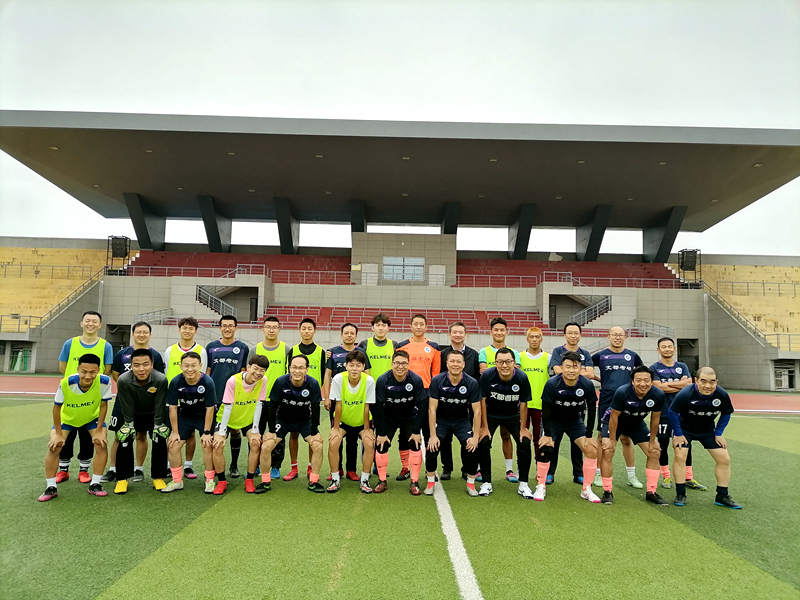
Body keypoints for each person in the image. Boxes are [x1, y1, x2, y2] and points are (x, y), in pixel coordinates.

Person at [38, 354, 111, 501]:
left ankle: (95, 484)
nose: (88, 376)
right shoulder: (66, 383)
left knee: (101, 443)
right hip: (67, 420)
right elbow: (56, 408)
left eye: (92, 372)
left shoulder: (104, 381)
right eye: (84, 371)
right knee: (55, 445)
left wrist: (99, 431)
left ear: (98, 370)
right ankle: (51, 487)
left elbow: (104, 405)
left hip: (91, 419)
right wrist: (58, 433)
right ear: (78, 369)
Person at [102, 320, 165, 484]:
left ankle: (138, 468)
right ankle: (113, 469)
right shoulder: (122, 354)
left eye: (145, 332)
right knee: (120, 435)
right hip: (124, 400)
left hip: (147, 403)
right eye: (138, 332)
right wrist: (131, 389)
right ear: (133, 334)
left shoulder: (156, 355)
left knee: (141, 435)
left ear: (150, 335)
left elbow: (157, 378)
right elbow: (116, 376)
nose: (142, 335)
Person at [668, 367, 740, 509]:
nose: (708, 385)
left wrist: (718, 433)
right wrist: (678, 434)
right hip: (684, 429)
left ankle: (722, 496)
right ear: (696, 381)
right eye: (703, 381)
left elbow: (726, 413)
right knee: (680, 455)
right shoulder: (686, 393)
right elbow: (672, 412)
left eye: (712, 382)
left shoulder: (721, 395)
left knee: (724, 458)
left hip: (707, 430)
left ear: (716, 382)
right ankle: (680, 494)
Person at [533, 351, 600, 503]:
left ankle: (586, 489)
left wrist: (589, 435)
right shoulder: (552, 383)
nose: (571, 370)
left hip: (574, 422)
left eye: (575, 367)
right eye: (567, 366)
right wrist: (547, 434)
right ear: (561, 367)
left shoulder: (587, 384)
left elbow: (591, 409)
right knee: (545, 448)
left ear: (580, 368)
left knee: (591, 449)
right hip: (554, 422)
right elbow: (546, 410)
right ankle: (541, 485)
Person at [55, 311, 113, 484]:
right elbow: (62, 367)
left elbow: (107, 369)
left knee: (88, 436)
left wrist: (91, 383)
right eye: (87, 320)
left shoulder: (105, 345)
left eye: (95, 321)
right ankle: (63, 469)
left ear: (100, 325)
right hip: (71, 395)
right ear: (81, 323)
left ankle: (83, 470)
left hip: (92, 395)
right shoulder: (70, 343)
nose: (90, 324)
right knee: (67, 433)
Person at [599, 366, 668, 506]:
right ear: (632, 381)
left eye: (646, 380)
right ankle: (607, 491)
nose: (642, 384)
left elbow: (655, 419)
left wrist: (653, 440)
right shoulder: (622, 392)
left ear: (651, 381)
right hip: (614, 422)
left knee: (654, 452)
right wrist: (612, 440)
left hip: (636, 423)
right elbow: (613, 417)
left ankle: (651, 492)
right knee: (608, 450)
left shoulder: (658, 394)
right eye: (638, 380)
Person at [257, 354, 326, 493]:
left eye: (301, 368)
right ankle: (265, 482)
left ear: (307, 369)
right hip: (283, 420)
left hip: (304, 421)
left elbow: (315, 409)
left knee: (318, 446)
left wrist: (314, 432)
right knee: (266, 446)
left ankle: (313, 481)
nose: (297, 371)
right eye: (294, 367)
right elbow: (272, 407)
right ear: (289, 368)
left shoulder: (313, 384)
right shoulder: (280, 382)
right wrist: (271, 431)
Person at [477, 347, 535, 499]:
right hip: (491, 413)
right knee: (483, 441)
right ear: (495, 363)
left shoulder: (521, 377)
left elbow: (524, 403)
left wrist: (523, 428)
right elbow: (482, 401)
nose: (504, 365)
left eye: (508, 361)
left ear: (514, 363)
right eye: (500, 362)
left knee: (524, 442)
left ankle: (523, 484)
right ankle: (486, 482)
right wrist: (484, 427)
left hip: (512, 414)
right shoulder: (487, 375)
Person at [650, 337, 706, 491]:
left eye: (670, 346)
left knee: (685, 445)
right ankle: (666, 476)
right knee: (662, 444)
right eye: (664, 347)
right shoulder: (654, 368)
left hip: (682, 414)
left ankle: (688, 477)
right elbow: (657, 387)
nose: (667, 349)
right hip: (663, 413)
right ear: (658, 349)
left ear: (674, 349)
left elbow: (688, 384)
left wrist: (666, 384)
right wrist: (678, 385)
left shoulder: (682, 366)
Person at [592, 326, 644, 489]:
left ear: (625, 337)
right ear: (608, 337)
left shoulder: (632, 356)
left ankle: (631, 475)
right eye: (614, 335)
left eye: (621, 335)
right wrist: (600, 380)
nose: (617, 337)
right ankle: (598, 473)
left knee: (626, 438)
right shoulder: (600, 356)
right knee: (602, 438)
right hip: (607, 400)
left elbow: (642, 374)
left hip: (628, 401)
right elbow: (587, 369)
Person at [211, 355, 270, 495]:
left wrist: (255, 429)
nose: (258, 373)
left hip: (247, 419)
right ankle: (221, 481)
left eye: (262, 370)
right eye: (255, 368)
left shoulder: (263, 380)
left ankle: (249, 479)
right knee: (217, 444)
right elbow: (227, 407)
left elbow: (259, 405)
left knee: (255, 443)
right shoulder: (233, 381)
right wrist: (221, 432)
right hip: (227, 418)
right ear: (248, 367)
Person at [113, 348, 169, 494]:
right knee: (124, 438)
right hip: (132, 414)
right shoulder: (123, 380)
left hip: (153, 414)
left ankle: (158, 477)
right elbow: (127, 405)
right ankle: (122, 479)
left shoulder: (160, 379)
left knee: (159, 438)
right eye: (136, 365)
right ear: (131, 366)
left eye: (145, 364)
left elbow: (160, 404)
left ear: (152, 365)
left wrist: (158, 424)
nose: (141, 369)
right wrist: (129, 424)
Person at [425, 352, 482, 497]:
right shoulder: (437, 380)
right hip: (442, 420)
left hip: (462, 421)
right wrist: (432, 435)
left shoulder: (472, 383)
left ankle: (470, 483)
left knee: (472, 448)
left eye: (458, 361)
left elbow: (477, 411)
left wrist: (475, 437)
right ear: (447, 363)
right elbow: (432, 409)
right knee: (432, 447)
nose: (455, 364)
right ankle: (430, 483)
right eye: (452, 361)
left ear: (463, 364)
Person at [546, 322, 595, 485]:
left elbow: (591, 374)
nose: (573, 335)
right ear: (564, 335)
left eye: (576, 333)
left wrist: (572, 372)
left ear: (580, 335)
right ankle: (549, 473)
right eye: (570, 332)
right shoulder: (557, 351)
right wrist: (577, 372)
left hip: (577, 412)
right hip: (557, 411)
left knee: (579, 445)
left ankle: (578, 474)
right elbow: (557, 370)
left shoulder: (585, 353)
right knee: (552, 444)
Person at [372, 350, 428, 494]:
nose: (400, 366)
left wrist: (416, 431)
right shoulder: (383, 380)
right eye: (397, 363)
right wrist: (381, 433)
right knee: (382, 445)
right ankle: (382, 480)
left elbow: (422, 405)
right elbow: (378, 408)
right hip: (388, 417)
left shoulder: (416, 380)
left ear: (408, 365)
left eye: (404, 363)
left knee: (414, 443)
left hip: (409, 417)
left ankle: (414, 481)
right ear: (392, 364)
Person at [161, 352, 217, 493]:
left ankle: (210, 480)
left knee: (207, 445)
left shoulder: (208, 382)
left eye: (193, 365)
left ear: (200, 366)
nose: (190, 369)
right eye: (186, 366)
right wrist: (174, 432)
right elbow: (172, 408)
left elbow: (210, 409)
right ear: (181, 366)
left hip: (203, 417)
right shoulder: (176, 382)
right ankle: (177, 481)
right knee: (173, 445)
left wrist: (206, 432)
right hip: (185, 417)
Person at [396, 314, 441, 481]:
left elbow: (436, 374)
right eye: (416, 324)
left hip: (427, 393)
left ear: (426, 326)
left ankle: (431, 470)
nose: (419, 327)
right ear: (410, 326)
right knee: (405, 432)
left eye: (422, 324)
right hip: (406, 393)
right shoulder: (402, 346)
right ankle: (405, 468)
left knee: (429, 432)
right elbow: (398, 369)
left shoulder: (433, 347)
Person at [324, 323, 371, 481]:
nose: (349, 335)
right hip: (338, 397)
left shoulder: (362, 352)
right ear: (341, 334)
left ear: (356, 336)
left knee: (353, 439)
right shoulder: (333, 352)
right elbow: (328, 374)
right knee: (336, 435)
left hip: (356, 400)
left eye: (352, 333)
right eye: (346, 333)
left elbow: (367, 374)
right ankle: (337, 469)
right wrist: (326, 397)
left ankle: (351, 469)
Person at [163, 317, 208, 480]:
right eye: (184, 328)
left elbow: (203, 375)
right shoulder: (170, 350)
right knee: (173, 434)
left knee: (190, 434)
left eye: (190, 328)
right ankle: (170, 466)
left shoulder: (201, 351)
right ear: (179, 329)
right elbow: (166, 373)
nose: (187, 331)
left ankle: (188, 465)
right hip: (174, 399)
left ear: (195, 331)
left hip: (193, 399)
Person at [205, 315, 249, 478]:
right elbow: (208, 371)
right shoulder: (211, 347)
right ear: (220, 327)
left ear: (236, 328)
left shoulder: (242, 348)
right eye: (224, 325)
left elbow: (244, 372)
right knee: (216, 432)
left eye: (231, 325)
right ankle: (215, 468)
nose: (227, 328)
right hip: (215, 396)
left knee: (235, 429)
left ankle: (234, 465)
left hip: (234, 396)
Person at [326, 350, 376, 493]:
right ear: (346, 365)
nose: (354, 369)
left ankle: (365, 479)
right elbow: (338, 405)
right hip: (343, 421)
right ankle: (335, 478)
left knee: (369, 444)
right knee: (333, 442)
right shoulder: (338, 379)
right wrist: (335, 428)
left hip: (362, 422)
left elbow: (367, 406)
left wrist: (367, 429)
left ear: (363, 366)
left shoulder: (369, 380)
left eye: (358, 365)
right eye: (351, 365)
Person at [283, 317, 326, 481]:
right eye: (304, 328)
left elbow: (323, 375)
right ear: (299, 330)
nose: (307, 331)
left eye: (310, 328)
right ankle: (293, 468)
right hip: (293, 398)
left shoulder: (321, 352)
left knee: (312, 434)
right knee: (293, 434)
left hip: (311, 400)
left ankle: (310, 467)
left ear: (315, 331)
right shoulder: (292, 351)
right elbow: (287, 373)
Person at [478, 317, 518, 482]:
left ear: (506, 332)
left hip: (509, 403)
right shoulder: (484, 351)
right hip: (489, 404)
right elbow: (483, 372)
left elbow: (514, 372)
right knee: (484, 437)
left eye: (502, 330)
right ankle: (480, 469)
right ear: (491, 332)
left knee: (506, 436)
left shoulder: (514, 353)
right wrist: (502, 369)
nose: (499, 332)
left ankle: (509, 470)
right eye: (496, 330)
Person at [438, 321, 480, 480]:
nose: (457, 335)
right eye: (454, 332)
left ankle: (466, 468)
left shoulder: (473, 354)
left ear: (465, 335)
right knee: (445, 439)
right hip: (445, 403)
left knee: (466, 439)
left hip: (466, 405)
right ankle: (447, 468)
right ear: (449, 334)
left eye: (460, 332)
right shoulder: (442, 354)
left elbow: (476, 377)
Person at [253, 315, 292, 478]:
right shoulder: (254, 349)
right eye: (268, 327)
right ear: (262, 329)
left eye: (274, 327)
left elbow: (290, 374)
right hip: (257, 400)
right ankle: (255, 465)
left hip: (279, 400)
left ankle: (275, 466)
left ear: (279, 329)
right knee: (256, 433)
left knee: (278, 434)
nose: (271, 330)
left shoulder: (286, 349)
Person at [518, 327, 549, 460]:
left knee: (539, 440)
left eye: (537, 337)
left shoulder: (548, 358)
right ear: (527, 339)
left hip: (541, 405)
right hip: (523, 405)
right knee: (522, 439)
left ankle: (539, 467)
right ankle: (521, 467)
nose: (534, 339)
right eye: (532, 337)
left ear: (541, 339)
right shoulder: (519, 357)